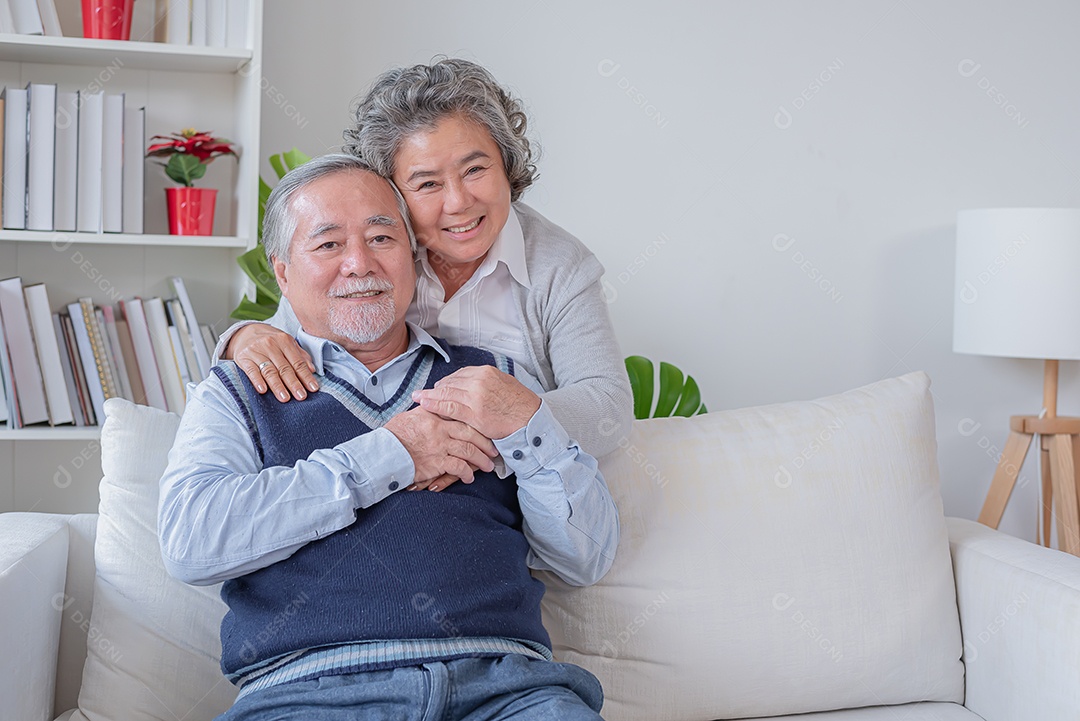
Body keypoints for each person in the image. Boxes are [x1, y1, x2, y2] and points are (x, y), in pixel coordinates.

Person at [159, 154, 618, 720]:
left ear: (413, 257)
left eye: (382, 237)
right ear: (282, 272)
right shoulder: (237, 390)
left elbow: (586, 559)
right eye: (327, 245)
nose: (359, 263)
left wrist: (531, 428)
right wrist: (394, 453)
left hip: (508, 690)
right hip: (310, 694)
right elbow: (189, 541)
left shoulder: (495, 381)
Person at [218, 59, 632, 489]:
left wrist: (484, 427)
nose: (458, 202)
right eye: (428, 184)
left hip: (511, 495)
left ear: (507, 165)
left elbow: (608, 407)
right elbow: (281, 335)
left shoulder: (557, 264)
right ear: (391, 193)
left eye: (475, 169)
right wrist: (243, 337)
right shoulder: (375, 255)